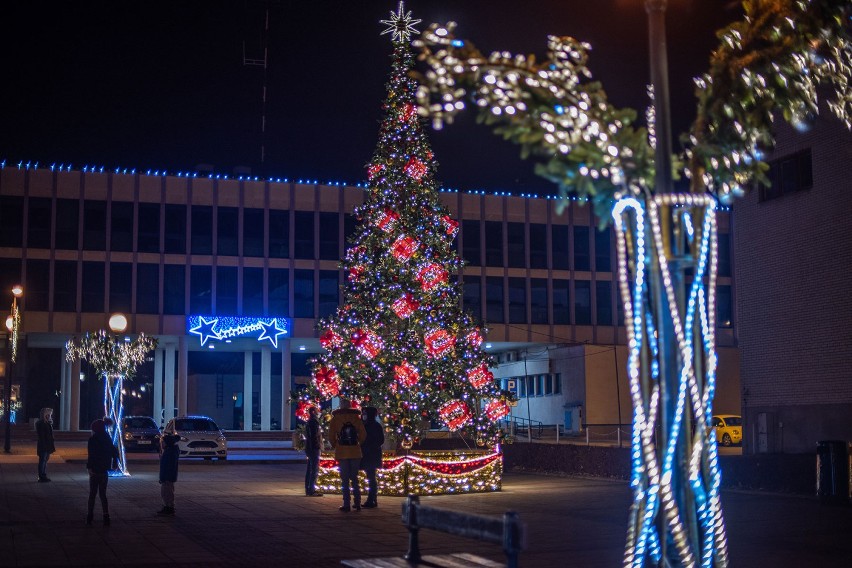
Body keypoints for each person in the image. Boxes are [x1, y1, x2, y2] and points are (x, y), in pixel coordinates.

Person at [328, 399, 366, 512]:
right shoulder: (356, 418)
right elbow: (363, 434)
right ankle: (358, 502)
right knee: (354, 478)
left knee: (344, 479)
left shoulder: (336, 419)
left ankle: (346, 504)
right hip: (355, 452)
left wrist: (336, 444)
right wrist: (358, 442)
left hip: (342, 452)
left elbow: (331, 435)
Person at [86, 419, 119, 526]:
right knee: (103, 494)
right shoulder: (107, 438)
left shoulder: (93, 439)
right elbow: (115, 451)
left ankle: (90, 516)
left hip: (95, 469)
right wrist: (114, 464)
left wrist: (89, 467)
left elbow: (91, 455)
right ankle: (106, 515)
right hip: (104, 469)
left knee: (92, 494)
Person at [360, 406, 385, 509]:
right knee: (371, 477)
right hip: (373, 454)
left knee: (370, 477)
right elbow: (381, 440)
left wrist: (367, 446)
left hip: (368, 454)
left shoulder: (366, 425)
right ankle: (373, 498)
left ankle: (371, 499)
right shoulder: (376, 425)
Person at [157, 434, 180, 516]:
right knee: (165, 492)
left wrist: (165, 477)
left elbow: (169, 466)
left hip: (168, 477)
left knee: (167, 492)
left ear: (168, 443)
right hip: (166, 476)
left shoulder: (170, 452)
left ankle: (169, 507)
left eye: (163, 442)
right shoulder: (169, 451)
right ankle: (167, 506)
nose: (161, 444)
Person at [304, 406, 323, 497]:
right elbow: (314, 436)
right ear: (313, 412)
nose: (318, 412)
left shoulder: (311, 421)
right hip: (314, 448)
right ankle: (311, 490)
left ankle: (308, 489)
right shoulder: (314, 422)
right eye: (316, 411)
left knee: (310, 469)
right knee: (314, 469)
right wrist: (317, 446)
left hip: (310, 448)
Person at [36, 407, 56, 482]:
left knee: (45, 460)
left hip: (47, 445)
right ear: (45, 414)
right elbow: (42, 436)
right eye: (49, 414)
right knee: (43, 460)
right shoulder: (41, 423)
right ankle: (41, 476)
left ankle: (43, 475)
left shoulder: (47, 423)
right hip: (44, 445)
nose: (50, 416)